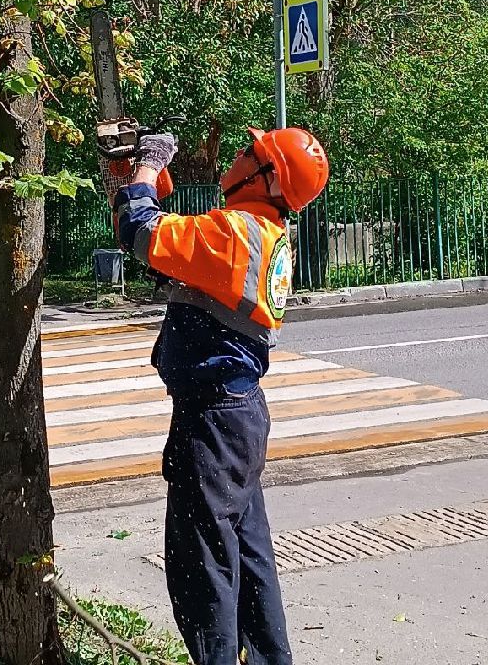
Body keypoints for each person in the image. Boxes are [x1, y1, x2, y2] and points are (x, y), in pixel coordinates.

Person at [113, 126, 329, 665]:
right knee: (249, 561)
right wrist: (141, 179)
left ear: (265, 177)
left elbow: (141, 232)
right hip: (236, 417)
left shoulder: (234, 233)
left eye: (247, 153)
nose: (235, 157)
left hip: (213, 421)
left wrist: (149, 166)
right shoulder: (260, 232)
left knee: (202, 567)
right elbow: (174, 247)